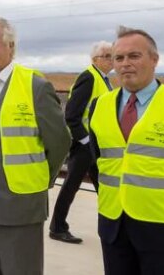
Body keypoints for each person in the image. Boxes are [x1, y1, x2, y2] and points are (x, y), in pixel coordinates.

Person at [0, 17, 70, 275]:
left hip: (20, 203)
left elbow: (61, 142)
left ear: (11, 46)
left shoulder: (35, 87)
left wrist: (37, 180)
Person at [88, 26, 164, 274]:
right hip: (112, 222)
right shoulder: (101, 105)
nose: (125, 64)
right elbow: (97, 159)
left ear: (154, 59)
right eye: (118, 58)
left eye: (134, 56)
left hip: (163, 224)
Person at [49, 41, 113, 244]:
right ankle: (57, 227)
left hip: (95, 146)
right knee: (71, 186)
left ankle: (111, 227)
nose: (112, 60)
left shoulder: (103, 79)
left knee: (104, 188)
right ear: (96, 59)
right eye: (108, 56)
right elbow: (72, 114)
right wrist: (86, 141)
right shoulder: (89, 77)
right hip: (85, 145)